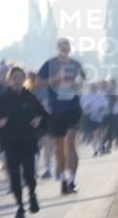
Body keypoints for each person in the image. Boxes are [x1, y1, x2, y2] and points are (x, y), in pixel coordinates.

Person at [0, 66, 48, 218]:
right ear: (9, 80)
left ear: (24, 79)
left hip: (29, 141)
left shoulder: (30, 97)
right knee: (15, 176)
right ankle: (19, 206)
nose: (17, 80)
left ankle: (32, 195)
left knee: (29, 173)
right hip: (10, 142)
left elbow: (44, 115)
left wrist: (39, 119)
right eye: (14, 78)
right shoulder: (2, 99)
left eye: (20, 77)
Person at [36, 38, 86, 195]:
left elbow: (82, 82)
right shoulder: (49, 64)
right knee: (59, 147)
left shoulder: (76, 64)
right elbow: (38, 83)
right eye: (62, 46)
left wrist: (77, 85)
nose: (64, 49)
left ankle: (72, 181)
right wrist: (54, 80)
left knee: (71, 143)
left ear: (70, 48)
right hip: (56, 110)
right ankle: (63, 179)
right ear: (57, 48)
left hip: (73, 108)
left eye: (67, 46)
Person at [28, 70, 55, 178]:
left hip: (46, 119)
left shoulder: (47, 90)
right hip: (33, 121)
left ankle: (47, 169)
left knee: (46, 144)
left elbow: (51, 105)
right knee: (36, 146)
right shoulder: (28, 91)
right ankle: (34, 170)